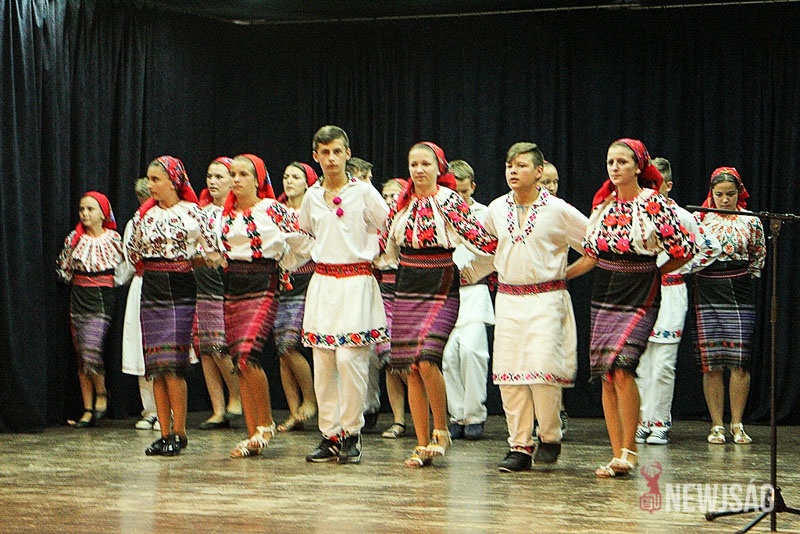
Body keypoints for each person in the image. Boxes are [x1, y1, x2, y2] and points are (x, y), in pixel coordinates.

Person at [582, 139, 697, 478]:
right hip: (606, 287)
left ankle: (629, 450)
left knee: (623, 367)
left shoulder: (654, 203)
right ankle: (616, 453)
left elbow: (685, 248)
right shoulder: (603, 204)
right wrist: (559, 274)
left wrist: (656, 273)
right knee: (606, 373)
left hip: (640, 288)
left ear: (637, 167)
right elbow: (591, 251)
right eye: (610, 162)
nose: (615, 168)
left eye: (622, 162)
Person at [381, 142, 497, 468]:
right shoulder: (402, 202)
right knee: (410, 366)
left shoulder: (449, 201)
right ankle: (422, 443)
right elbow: (385, 246)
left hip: (441, 281)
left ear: (439, 168)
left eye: (426, 164)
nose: (419, 170)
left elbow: (481, 240)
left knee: (427, 358)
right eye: (414, 164)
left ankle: (441, 431)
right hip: (407, 282)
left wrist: (480, 267)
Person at [478, 143, 589, 471]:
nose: (513, 171)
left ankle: (550, 435)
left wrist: (565, 274)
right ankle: (519, 446)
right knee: (510, 375)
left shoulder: (558, 210)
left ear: (539, 172)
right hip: (508, 298)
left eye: (522, 165)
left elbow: (595, 245)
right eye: (509, 165)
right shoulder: (496, 209)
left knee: (542, 371)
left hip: (546, 298)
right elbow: (486, 250)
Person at [300, 126, 390, 464]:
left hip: (356, 281)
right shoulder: (311, 196)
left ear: (348, 153)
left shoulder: (363, 192)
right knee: (323, 363)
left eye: (337, 151)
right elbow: (306, 234)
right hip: (324, 282)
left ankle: (352, 431)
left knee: (350, 360)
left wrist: (378, 255)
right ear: (316, 156)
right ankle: (330, 434)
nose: (331, 159)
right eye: (325, 153)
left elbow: (387, 225)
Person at [128, 155, 224, 456]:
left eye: (156, 179)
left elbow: (214, 252)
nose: (151, 185)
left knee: (173, 365)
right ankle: (164, 433)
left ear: (173, 182)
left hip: (179, 288)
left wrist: (189, 261)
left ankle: (179, 433)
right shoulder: (144, 216)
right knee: (156, 367)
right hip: (152, 287)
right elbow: (132, 253)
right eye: (149, 179)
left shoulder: (192, 213)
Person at [221, 154, 304, 458]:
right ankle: (252, 433)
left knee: (247, 355)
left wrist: (284, 266)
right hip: (234, 285)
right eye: (233, 174)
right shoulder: (224, 215)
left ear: (258, 180)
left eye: (243, 174)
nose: (236, 179)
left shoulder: (272, 209)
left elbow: (303, 242)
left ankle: (266, 423)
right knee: (238, 362)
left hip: (262, 282)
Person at [635, 158, 720, 445]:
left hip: (671, 292)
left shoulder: (682, 216)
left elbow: (710, 246)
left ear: (668, 185)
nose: (650, 189)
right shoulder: (637, 213)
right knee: (640, 360)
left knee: (663, 361)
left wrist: (682, 267)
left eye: (656, 184)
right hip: (640, 291)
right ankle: (642, 419)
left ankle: (660, 421)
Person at [692, 167, 765, 445]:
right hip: (706, 287)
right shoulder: (699, 218)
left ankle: (737, 423)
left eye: (730, 194)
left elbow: (758, 255)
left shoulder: (751, 220)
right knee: (711, 363)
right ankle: (716, 425)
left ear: (739, 193)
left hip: (739, 288)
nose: (724, 200)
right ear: (711, 193)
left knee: (739, 361)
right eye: (719, 194)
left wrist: (744, 276)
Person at [57, 192, 124, 428]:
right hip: (79, 296)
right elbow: (64, 270)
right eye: (81, 209)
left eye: (90, 209)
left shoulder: (113, 238)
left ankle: (102, 393)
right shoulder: (74, 239)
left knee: (91, 348)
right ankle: (87, 408)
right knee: (81, 353)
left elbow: (124, 267)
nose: (85, 214)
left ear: (103, 213)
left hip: (103, 297)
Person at [442, 159, 494, 440]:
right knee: (449, 356)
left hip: (473, 291)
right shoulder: (440, 211)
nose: (459, 197)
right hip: (446, 292)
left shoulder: (484, 214)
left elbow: (494, 251)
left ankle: (475, 415)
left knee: (472, 352)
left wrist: (476, 270)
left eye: (463, 191)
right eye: (454, 191)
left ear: (472, 187)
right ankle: (457, 414)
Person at [195, 157, 242, 430]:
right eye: (209, 176)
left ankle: (236, 396)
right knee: (205, 348)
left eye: (219, 177)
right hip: (200, 280)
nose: (212, 182)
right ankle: (218, 409)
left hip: (224, 281)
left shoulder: (235, 213)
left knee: (220, 346)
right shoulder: (200, 212)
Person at [274, 161, 319, 432]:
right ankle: (293, 412)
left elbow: (315, 245)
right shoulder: (275, 210)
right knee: (282, 350)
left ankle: (310, 400)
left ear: (307, 183)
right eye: (285, 176)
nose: (289, 181)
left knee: (291, 344)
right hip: (281, 280)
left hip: (306, 279)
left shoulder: (312, 210)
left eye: (295, 177)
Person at [120, 178, 159, 430]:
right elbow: (130, 259)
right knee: (140, 348)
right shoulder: (135, 222)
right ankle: (150, 410)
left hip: (163, 284)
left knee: (162, 349)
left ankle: (166, 411)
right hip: (142, 283)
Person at [347, 156, 383, 429]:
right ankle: (345, 411)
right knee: (337, 352)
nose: (367, 184)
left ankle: (368, 405)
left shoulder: (373, 205)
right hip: (335, 281)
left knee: (364, 349)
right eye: (362, 178)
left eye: (369, 179)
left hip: (366, 280)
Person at [377, 178, 409, 439]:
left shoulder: (410, 219)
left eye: (394, 195)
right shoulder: (377, 223)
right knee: (388, 359)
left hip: (408, 292)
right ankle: (398, 421)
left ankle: (429, 416)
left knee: (408, 362)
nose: (389, 200)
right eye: (385, 196)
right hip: (384, 293)